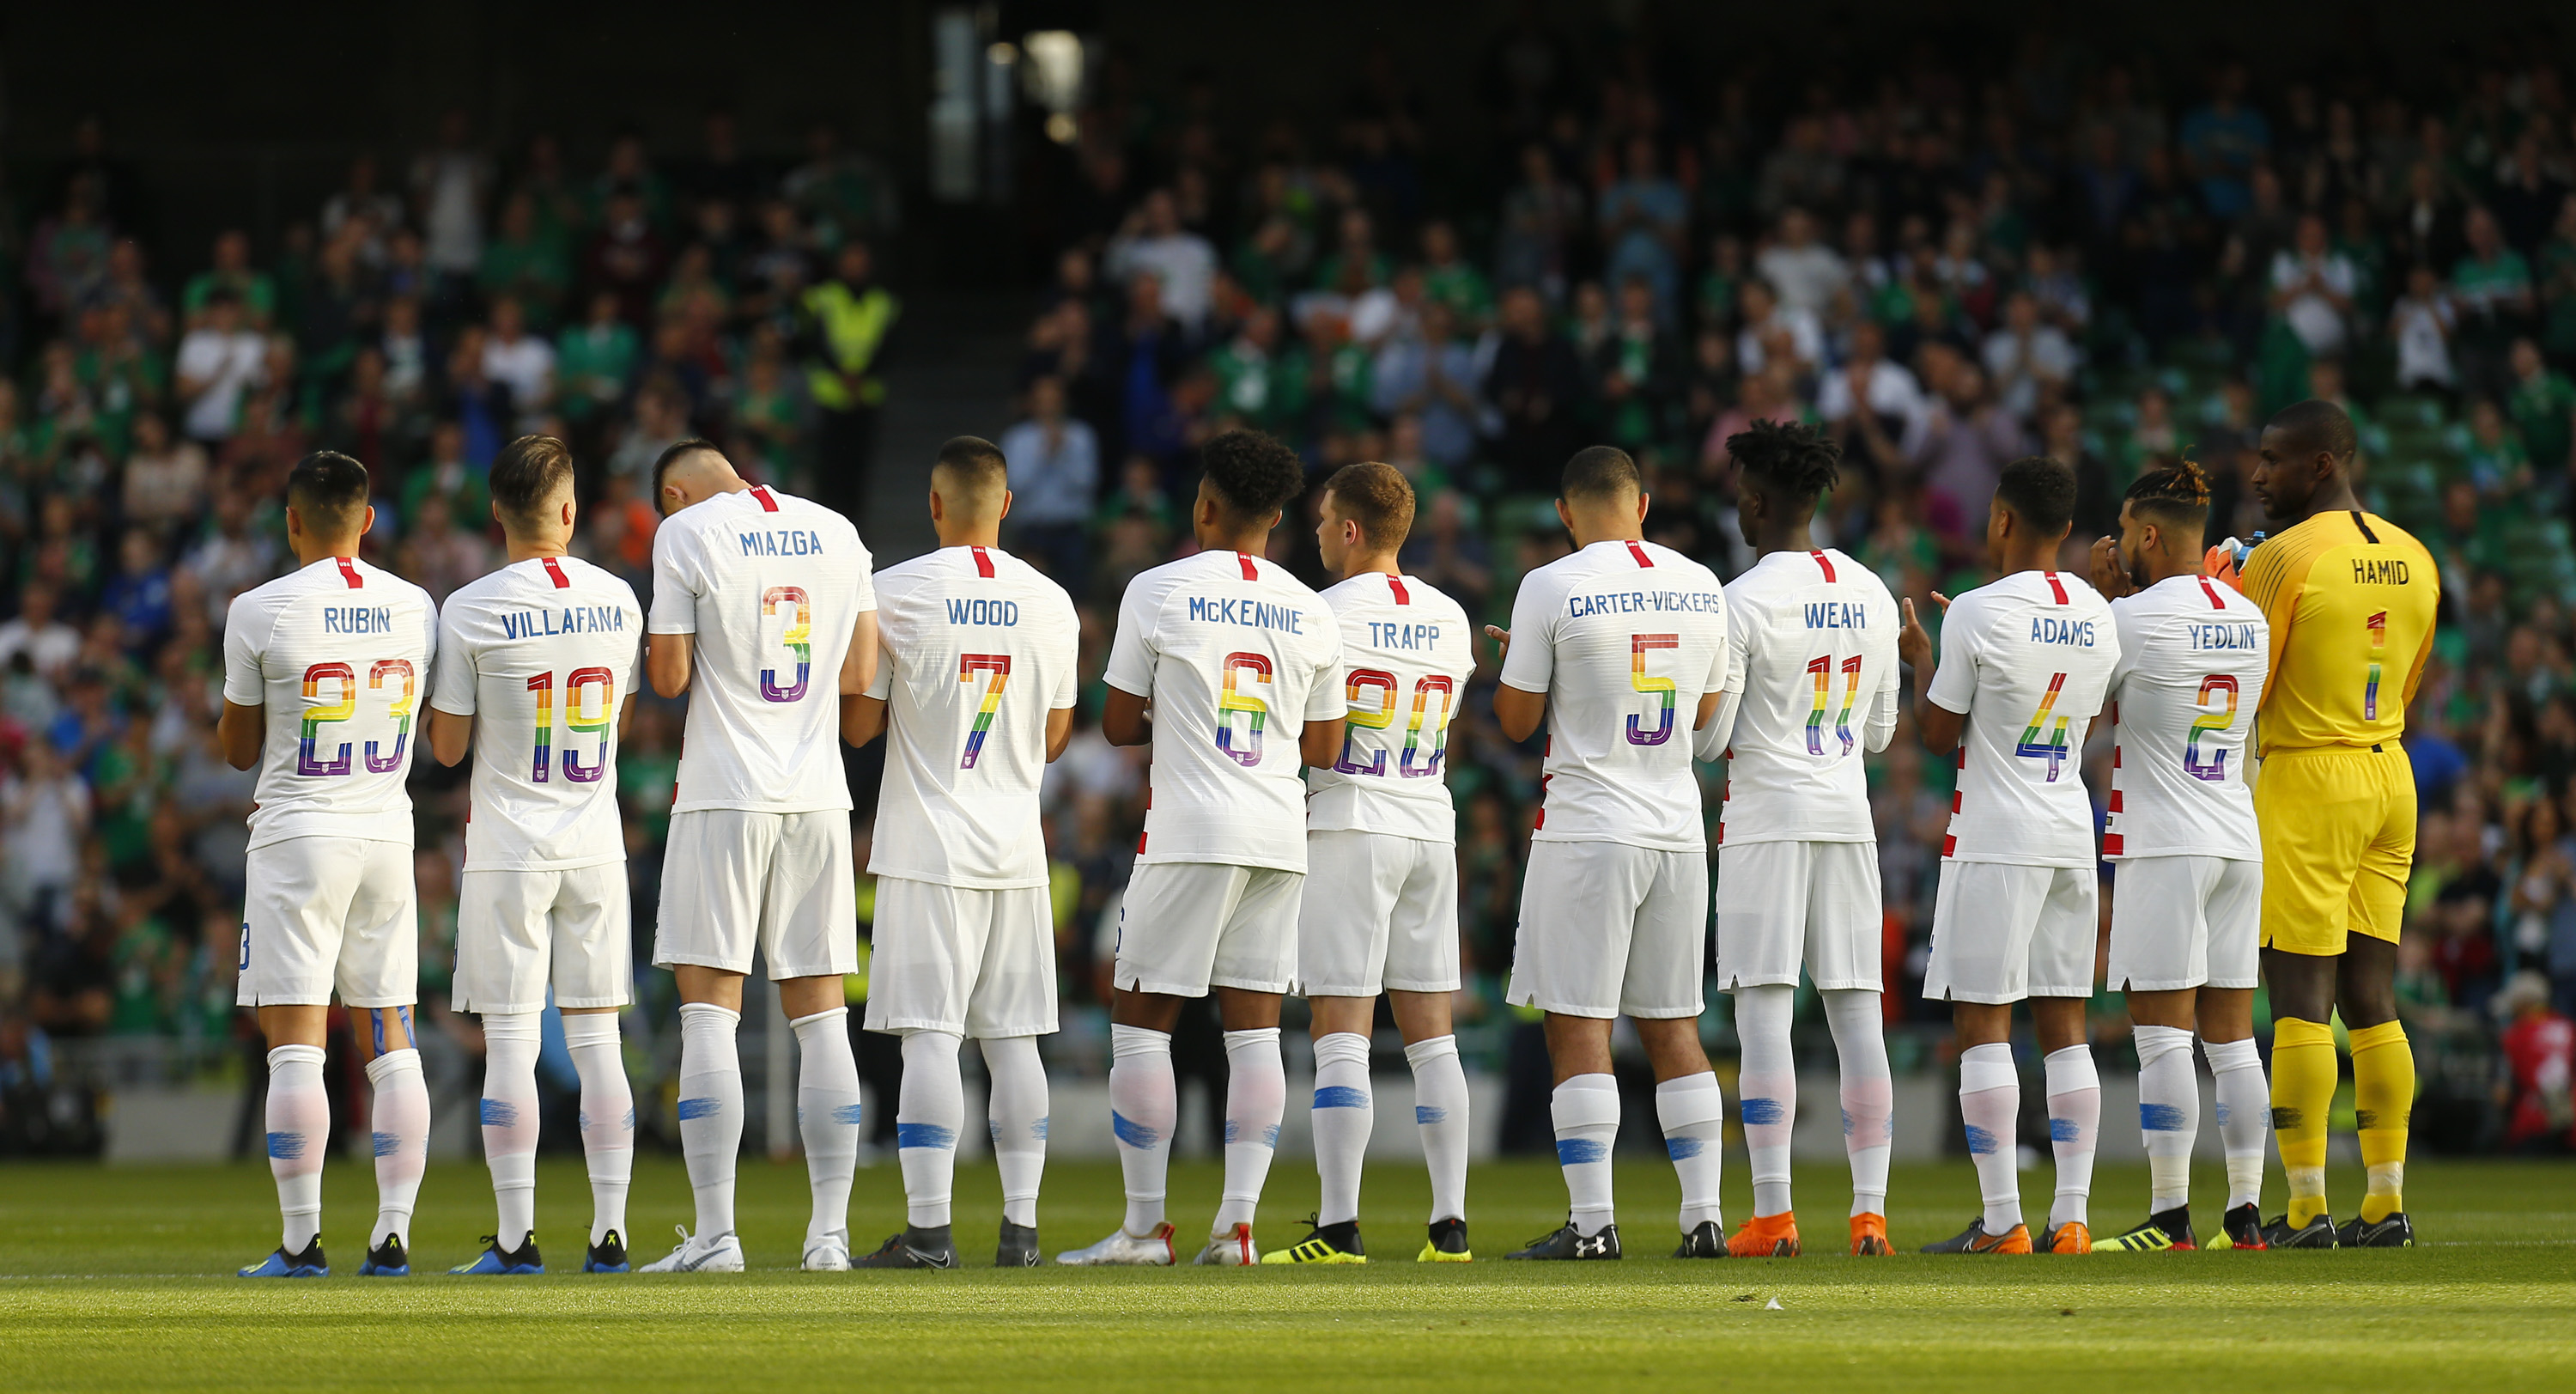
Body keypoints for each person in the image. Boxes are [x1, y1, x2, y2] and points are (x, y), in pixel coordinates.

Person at [1057, 430, 1344, 1267]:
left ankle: (1145, 1230)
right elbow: (1323, 744)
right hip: (1279, 832)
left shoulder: (1157, 589)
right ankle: (1239, 1229)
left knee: (1143, 1023)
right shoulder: (1311, 607)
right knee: (1254, 1031)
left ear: (1205, 505)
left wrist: (1181, 716)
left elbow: (1114, 727)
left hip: (1191, 828)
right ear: (1281, 517)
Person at [1485, 445, 1737, 1261]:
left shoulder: (1550, 584)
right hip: (1675, 825)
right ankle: (1704, 1218)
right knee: (1674, 1025)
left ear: (1566, 511)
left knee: (1578, 1021)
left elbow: (1517, 721)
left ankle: (1594, 1224)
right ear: (1645, 503)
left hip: (1590, 827)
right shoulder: (1701, 582)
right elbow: (1704, 716)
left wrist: (1524, 669)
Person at [640, 439, 880, 1272]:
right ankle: (830, 1239)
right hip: (817, 793)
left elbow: (668, 677)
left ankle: (717, 1238)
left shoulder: (687, 534)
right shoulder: (839, 531)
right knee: (822, 1018)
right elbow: (860, 672)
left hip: (723, 789)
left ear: (676, 493)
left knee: (710, 1010)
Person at [840, 436, 1079, 1269]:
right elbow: (1054, 739)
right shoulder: (1053, 602)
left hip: (925, 845)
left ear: (935, 505)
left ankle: (931, 1232)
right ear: (1006, 506)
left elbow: (860, 725)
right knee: (1014, 1041)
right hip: (1015, 846)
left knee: (931, 1038)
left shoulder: (892, 593)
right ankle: (1022, 1231)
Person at [424, 435, 644, 1275]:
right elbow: (619, 724)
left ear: (496, 514)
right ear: (569, 509)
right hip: (592, 843)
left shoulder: (470, 608)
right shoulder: (618, 600)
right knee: (598, 1045)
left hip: (509, 844)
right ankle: (610, 1234)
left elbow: (446, 750)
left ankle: (516, 1240)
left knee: (512, 1043)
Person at [217, 451, 438, 1278]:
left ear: (291, 520)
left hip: (298, 836)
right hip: (385, 830)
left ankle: (303, 1239)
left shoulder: (259, 610)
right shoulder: (417, 606)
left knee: (297, 1044)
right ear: (368, 519)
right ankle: (394, 1233)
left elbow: (238, 750)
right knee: (391, 1036)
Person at [1896, 454, 2119, 1257]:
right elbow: (2085, 720)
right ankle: (2073, 1218)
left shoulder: (1978, 613)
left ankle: (2001, 1221)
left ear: (2002, 519)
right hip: (2068, 829)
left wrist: (1925, 653)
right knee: (2066, 1023)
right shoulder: (2099, 614)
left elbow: (1934, 732)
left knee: (1982, 1023)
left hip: (1994, 837)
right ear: (2065, 526)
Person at [1262, 460, 1479, 1266]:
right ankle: (1448, 1226)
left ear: (1350, 529)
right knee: (1433, 1036)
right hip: (1429, 815)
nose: (1315, 530)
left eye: (1322, 519)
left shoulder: (1319, 615)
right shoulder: (1450, 617)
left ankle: (1339, 1227)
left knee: (1340, 1031)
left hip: (1351, 817)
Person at [2240, 399, 2440, 1247]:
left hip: (2307, 775)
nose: (2257, 475)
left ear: (2319, 465)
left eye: (2272, 459)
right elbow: (2411, 680)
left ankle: (2307, 1206)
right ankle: (2385, 1200)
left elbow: (2244, 680)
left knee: (2298, 1000)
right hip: (2389, 773)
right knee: (2373, 996)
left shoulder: (2284, 558)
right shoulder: (2417, 556)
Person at [1706, 420, 1901, 1259]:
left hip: (1768, 818)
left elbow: (1710, 740)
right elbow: (1885, 732)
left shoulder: (1740, 600)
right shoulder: (1870, 589)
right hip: (1844, 813)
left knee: (1764, 1012)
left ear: (1756, 498)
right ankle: (1869, 1215)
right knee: (1859, 1013)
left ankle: (1776, 1214)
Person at [2084, 460, 2275, 1252]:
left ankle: (2170, 1218)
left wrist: (2102, 605)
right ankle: (2246, 1216)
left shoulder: (2129, 620)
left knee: (2162, 1033)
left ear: (2150, 533)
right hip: (2236, 833)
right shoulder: (2250, 617)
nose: (2120, 543)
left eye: (2127, 531)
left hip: (2165, 842)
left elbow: (2082, 706)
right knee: (2232, 1036)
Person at [799, 241, 899, 528]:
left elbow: (888, 346)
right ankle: (829, 523)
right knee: (830, 466)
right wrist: (845, 375)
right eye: (850, 260)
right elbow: (815, 341)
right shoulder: (821, 297)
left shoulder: (884, 302)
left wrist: (860, 376)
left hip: (866, 397)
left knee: (858, 466)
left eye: (861, 261)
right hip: (830, 396)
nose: (856, 267)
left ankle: (855, 526)